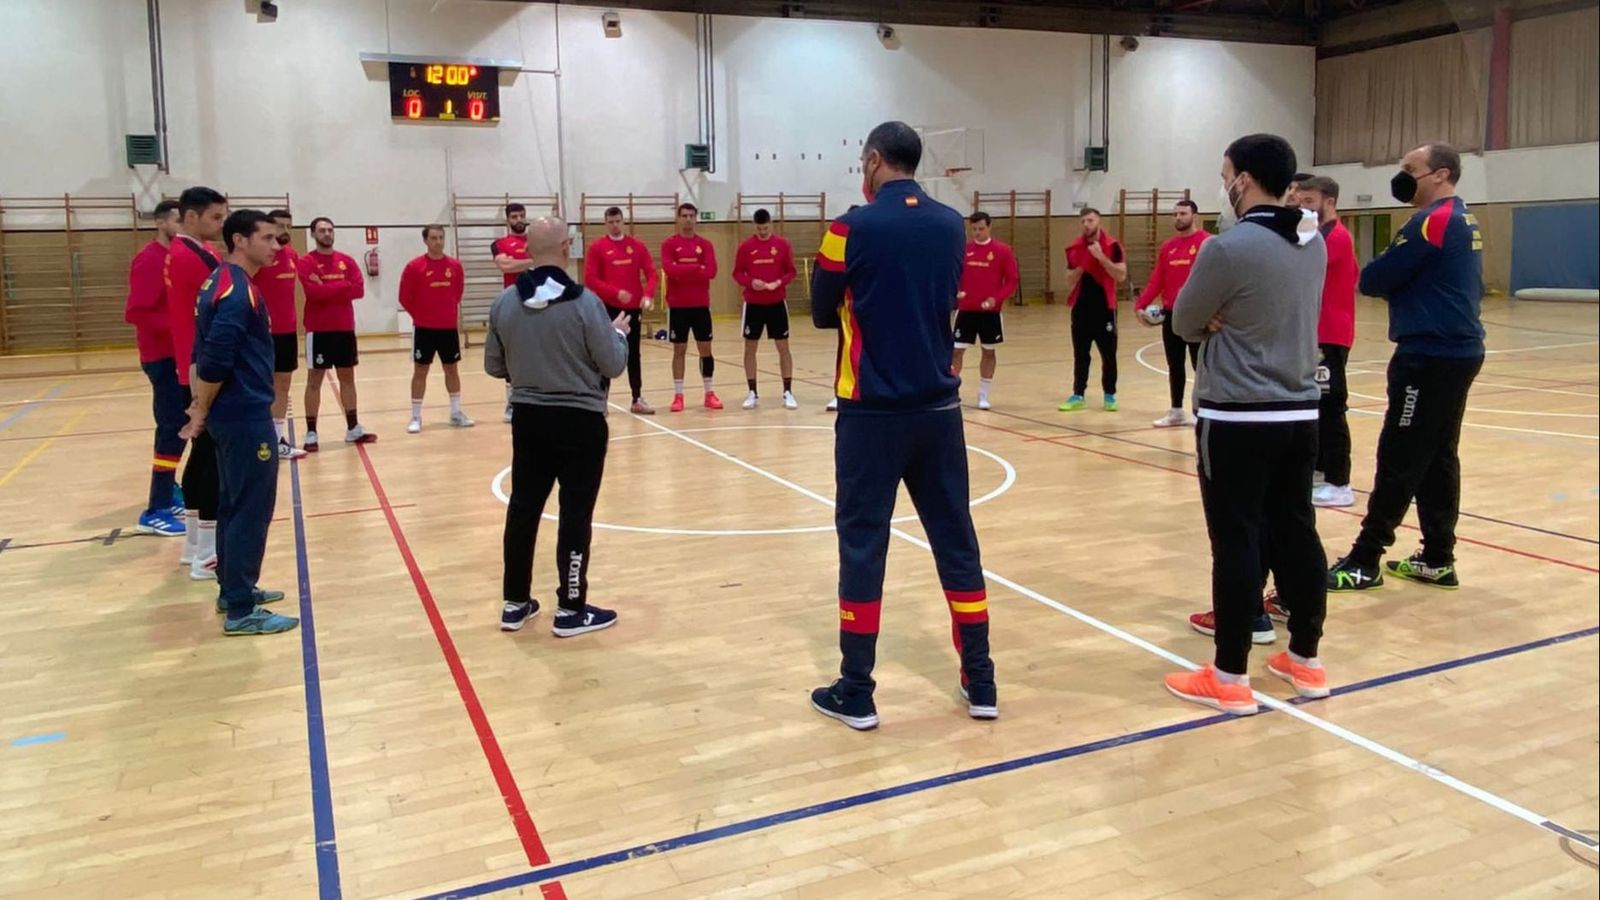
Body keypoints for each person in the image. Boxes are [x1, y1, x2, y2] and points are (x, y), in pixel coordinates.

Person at [809, 120, 997, 730]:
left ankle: (857, 690)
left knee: (863, 544)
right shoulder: (951, 225)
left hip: (870, 415)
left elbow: (817, 311)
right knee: (957, 541)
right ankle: (983, 680)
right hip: (939, 412)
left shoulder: (847, 228)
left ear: (871, 161)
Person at [1164, 133, 1330, 716]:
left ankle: (1230, 675)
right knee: (1297, 531)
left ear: (1244, 179)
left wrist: (1217, 317)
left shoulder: (1227, 248)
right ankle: (1306, 661)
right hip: (1300, 411)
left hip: (1237, 414)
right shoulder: (1315, 243)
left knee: (1235, 538)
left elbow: (1185, 321)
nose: (1223, 183)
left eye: (1226, 172)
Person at [1327, 143, 1485, 593]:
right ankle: (1437, 557)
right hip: (1454, 351)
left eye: (1409, 170)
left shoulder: (1432, 221)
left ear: (1439, 174)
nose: (1401, 177)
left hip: (1429, 356)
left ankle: (1365, 559)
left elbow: (1373, 278)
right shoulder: (1462, 217)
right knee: (1437, 456)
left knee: (1400, 454)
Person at [486, 217, 630, 638]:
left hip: (529, 419)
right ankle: (570, 609)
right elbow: (613, 364)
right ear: (567, 247)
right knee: (575, 513)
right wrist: (616, 334)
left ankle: (515, 602)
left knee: (524, 508)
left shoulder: (505, 305)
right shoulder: (586, 304)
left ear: (526, 251)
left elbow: (494, 365)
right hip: (580, 421)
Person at [181, 209, 297, 636]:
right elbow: (213, 359)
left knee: (232, 504)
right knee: (250, 509)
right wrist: (201, 408)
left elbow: (200, 353)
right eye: (267, 238)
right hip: (243, 415)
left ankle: (233, 590)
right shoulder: (234, 290)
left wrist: (200, 406)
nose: (276, 245)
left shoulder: (220, 282)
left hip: (231, 414)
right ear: (240, 241)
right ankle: (241, 610)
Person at [165, 186, 228, 580]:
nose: (221, 226)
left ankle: (194, 545)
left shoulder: (190, 253)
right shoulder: (192, 258)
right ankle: (207, 552)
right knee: (212, 459)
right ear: (191, 217)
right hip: (201, 368)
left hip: (193, 365)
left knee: (200, 456)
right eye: (215, 218)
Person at [126, 199, 187, 536]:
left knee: (179, 426)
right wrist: (180, 325)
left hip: (180, 355)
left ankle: (170, 490)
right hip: (161, 356)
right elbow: (137, 311)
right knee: (170, 427)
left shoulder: (177, 258)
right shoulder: (148, 260)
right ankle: (156, 508)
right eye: (178, 219)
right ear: (161, 222)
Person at [1298, 176, 1359, 508]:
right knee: (1316, 405)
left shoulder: (1334, 238)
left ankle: (1340, 481)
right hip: (1316, 331)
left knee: (1331, 406)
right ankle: (1321, 471)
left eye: (1309, 201)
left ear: (1329, 202)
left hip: (1329, 335)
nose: (1303, 207)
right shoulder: (1321, 235)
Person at [298, 216, 377, 451]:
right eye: (322, 230)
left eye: (330, 230)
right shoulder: (306, 262)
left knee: (348, 378)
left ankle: (353, 428)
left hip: (344, 329)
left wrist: (326, 286)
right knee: (314, 380)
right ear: (313, 234)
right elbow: (313, 294)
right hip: (318, 330)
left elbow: (359, 290)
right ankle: (311, 432)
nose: (327, 234)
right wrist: (341, 287)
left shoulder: (347, 261)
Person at [1136, 200, 1209, 427]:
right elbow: (1158, 278)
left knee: (1201, 366)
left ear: (1194, 215)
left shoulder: (1207, 243)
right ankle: (1176, 410)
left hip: (1198, 315)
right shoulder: (1168, 246)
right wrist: (1141, 304)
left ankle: (1202, 411)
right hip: (1171, 314)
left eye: (1183, 213)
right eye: (1175, 214)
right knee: (1174, 364)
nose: (1178, 217)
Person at [583, 206, 658, 414]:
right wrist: (616, 293)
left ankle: (637, 398)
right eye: (611, 222)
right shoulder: (597, 247)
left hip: (633, 309)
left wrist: (648, 294)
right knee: (603, 352)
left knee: (634, 353)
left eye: (618, 221)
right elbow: (590, 280)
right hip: (608, 308)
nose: (615, 225)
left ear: (623, 222)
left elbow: (652, 273)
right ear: (606, 223)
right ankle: (601, 399)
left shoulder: (637, 246)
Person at [400, 225, 473, 433]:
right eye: (434, 238)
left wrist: (444, 313)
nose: (438, 241)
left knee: (452, 369)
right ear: (425, 240)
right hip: (424, 329)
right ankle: (415, 416)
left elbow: (457, 293)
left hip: (448, 328)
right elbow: (404, 297)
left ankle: (456, 412)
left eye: (441, 237)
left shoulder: (455, 266)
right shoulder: (415, 267)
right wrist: (422, 315)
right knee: (420, 370)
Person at [1060, 208, 1127, 412]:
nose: (1086, 224)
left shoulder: (1113, 246)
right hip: (1081, 308)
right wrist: (1083, 265)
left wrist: (1101, 258)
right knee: (1081, 354)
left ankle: (1109, 394)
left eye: (1090, 220)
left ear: (1098, 221)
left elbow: (1121, 276)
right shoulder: (1074, 248)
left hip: (1105, 308)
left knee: (1109, 354)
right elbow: (1069, 279)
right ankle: (1078, 394)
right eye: (1083, 221)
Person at [253, 209, 307, 460]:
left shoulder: (292, 254)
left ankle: (276, 439)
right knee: (261, 385)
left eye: (289, 225)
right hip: (263, 331)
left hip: (287, 330)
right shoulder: (261, 257)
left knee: (283, 384)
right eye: (280, 226)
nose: (285, 231)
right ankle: (258, 438)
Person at [951, 211, 1019, 411]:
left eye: (981, 229)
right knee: (956, 351)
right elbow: (953, 274)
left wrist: (995, 299)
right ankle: (953, 391)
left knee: (988, 352)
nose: (977, 233)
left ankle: (983, 394)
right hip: (965, 311)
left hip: (990, 313)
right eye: (974, 229)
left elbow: (1012, 281)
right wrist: (956, 292)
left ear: (989, 227)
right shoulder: (963, 250)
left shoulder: (1003, 251)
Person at [732, 208, 799, 409]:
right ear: (754, 226)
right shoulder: (745, 247)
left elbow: (791, 272)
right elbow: (737, 273)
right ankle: (752, 391)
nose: (762, 231)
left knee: (783, 347)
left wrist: (778, 282)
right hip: (753, 304)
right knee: (750, 348)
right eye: (759, 228)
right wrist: (751, 282)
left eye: (765, 227)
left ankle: (787, 391)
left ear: (771, 224)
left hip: (777, 303)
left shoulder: (782, 245)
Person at [661, 202, 722, 412]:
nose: (688, 219)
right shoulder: (669, 244)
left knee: (706, 349)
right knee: (679, 350)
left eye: (691, 216)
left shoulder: (705, 245)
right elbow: (670, 269)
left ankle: (709, 392)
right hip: (678, 306)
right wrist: (697, 267)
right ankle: (678, 395)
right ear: (678, 218)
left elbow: (712, 271)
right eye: (684, 216)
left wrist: (683, 269)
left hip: (700, 305)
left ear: (696, 218)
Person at [492, 203, 534, 422]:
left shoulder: (535, 241)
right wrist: (532, 262)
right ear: (508, 220)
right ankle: (511, 404)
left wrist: (518, 263)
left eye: (522, 215)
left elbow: (514, 265)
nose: (519, 219)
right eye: (514, 216)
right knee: (511, 356)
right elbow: (505, 267)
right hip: (513, 306)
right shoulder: (499, 244)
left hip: (537, 304)